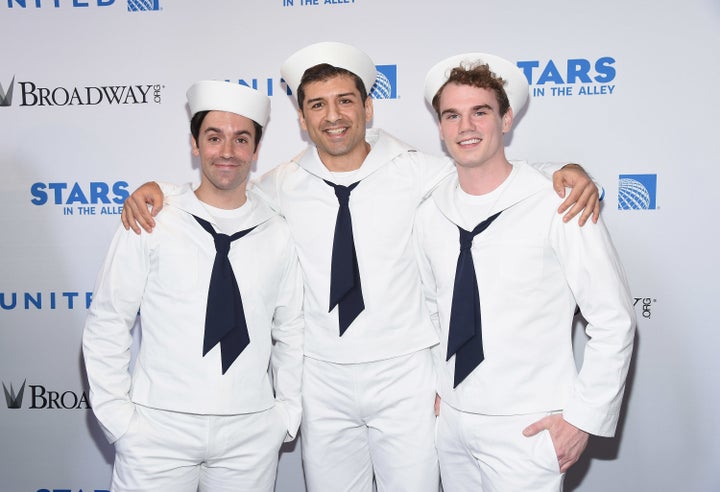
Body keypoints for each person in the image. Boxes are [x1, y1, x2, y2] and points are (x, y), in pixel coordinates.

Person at [119, 42, 600, 492]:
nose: (333, 116)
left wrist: (565, 172)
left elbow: (487, 170)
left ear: (368, 109)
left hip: (405, 375)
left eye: (346, 101)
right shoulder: (279, 185)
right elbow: (222, 192)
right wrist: (164, 192)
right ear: (303, 119)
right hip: (321, 379)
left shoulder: (417, 170)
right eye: (317, 105)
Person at [414, 53, 636, 491]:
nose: (467, 127)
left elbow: (614, 319)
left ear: (507, 118)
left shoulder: (559, 201)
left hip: (529, 426)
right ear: (440, 128)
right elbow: (433, 309)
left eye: (481, 112)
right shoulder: (429, 212)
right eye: (452, 115)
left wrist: (582, 420)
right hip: (452, 424)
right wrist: (440, 390)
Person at [82, 80, 303, 492]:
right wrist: (120, 421)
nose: (227, 151)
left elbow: (291, 331)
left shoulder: (277, 231)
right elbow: (109, 319)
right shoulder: (153, 219)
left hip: (250, 434)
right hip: (157, 431)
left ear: (255, 151)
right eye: (214, 137)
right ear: (194, 144)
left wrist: (285, 416)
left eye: (241, 139)